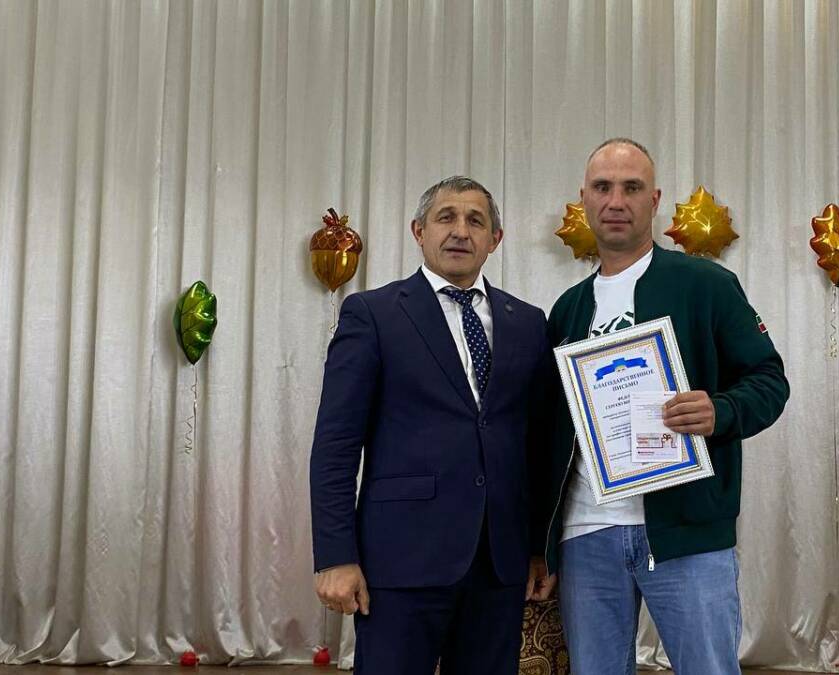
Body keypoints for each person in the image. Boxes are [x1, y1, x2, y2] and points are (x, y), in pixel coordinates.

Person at [531, 139, 790, 674]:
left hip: (688, 531)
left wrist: (721, 411)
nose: (616, 200)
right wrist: (544, 542)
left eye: (632, 187)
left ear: (654, 200)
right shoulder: (567, 309)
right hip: (586, 533)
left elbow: (769, 381)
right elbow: (550, 434)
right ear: (584, 199)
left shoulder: (706, 284)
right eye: (603, 187)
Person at [310, 175, 551, 675]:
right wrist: (335, 556)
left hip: (499, 565)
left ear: (495, 239)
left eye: (475, 221)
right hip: (401, 562)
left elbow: (537, 445)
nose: (460, 231)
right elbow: (336, 445)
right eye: (446, 218)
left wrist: (536, 548)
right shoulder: (373, 314)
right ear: (419, 231)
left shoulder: (529, 323)